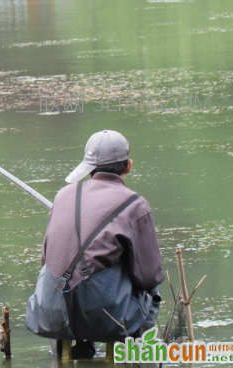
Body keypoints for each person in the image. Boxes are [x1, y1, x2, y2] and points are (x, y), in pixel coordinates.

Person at [40, 130, 165, 357]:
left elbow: (45, 261)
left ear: (88, 169)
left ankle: (65, 355)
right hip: (105, 318)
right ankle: (137, 358)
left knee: (62, 285)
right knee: (151, 292)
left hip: (51, 314)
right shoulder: (136, 205)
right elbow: (148, 276)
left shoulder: (62, 196)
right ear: (128, 166)